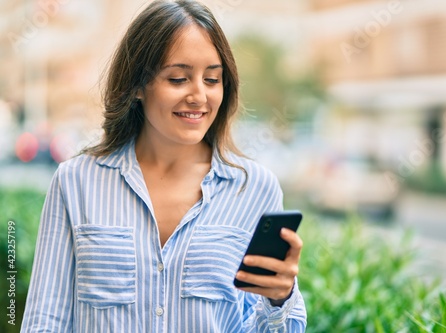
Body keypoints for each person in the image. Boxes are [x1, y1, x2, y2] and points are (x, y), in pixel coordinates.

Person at [21, 0, 307, 332]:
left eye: (212, 80)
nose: (199, 95)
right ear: (138, 85)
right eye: (178, 79)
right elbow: (46, 321)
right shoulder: (75, 182)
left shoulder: (255, 188)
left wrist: (279, 300)